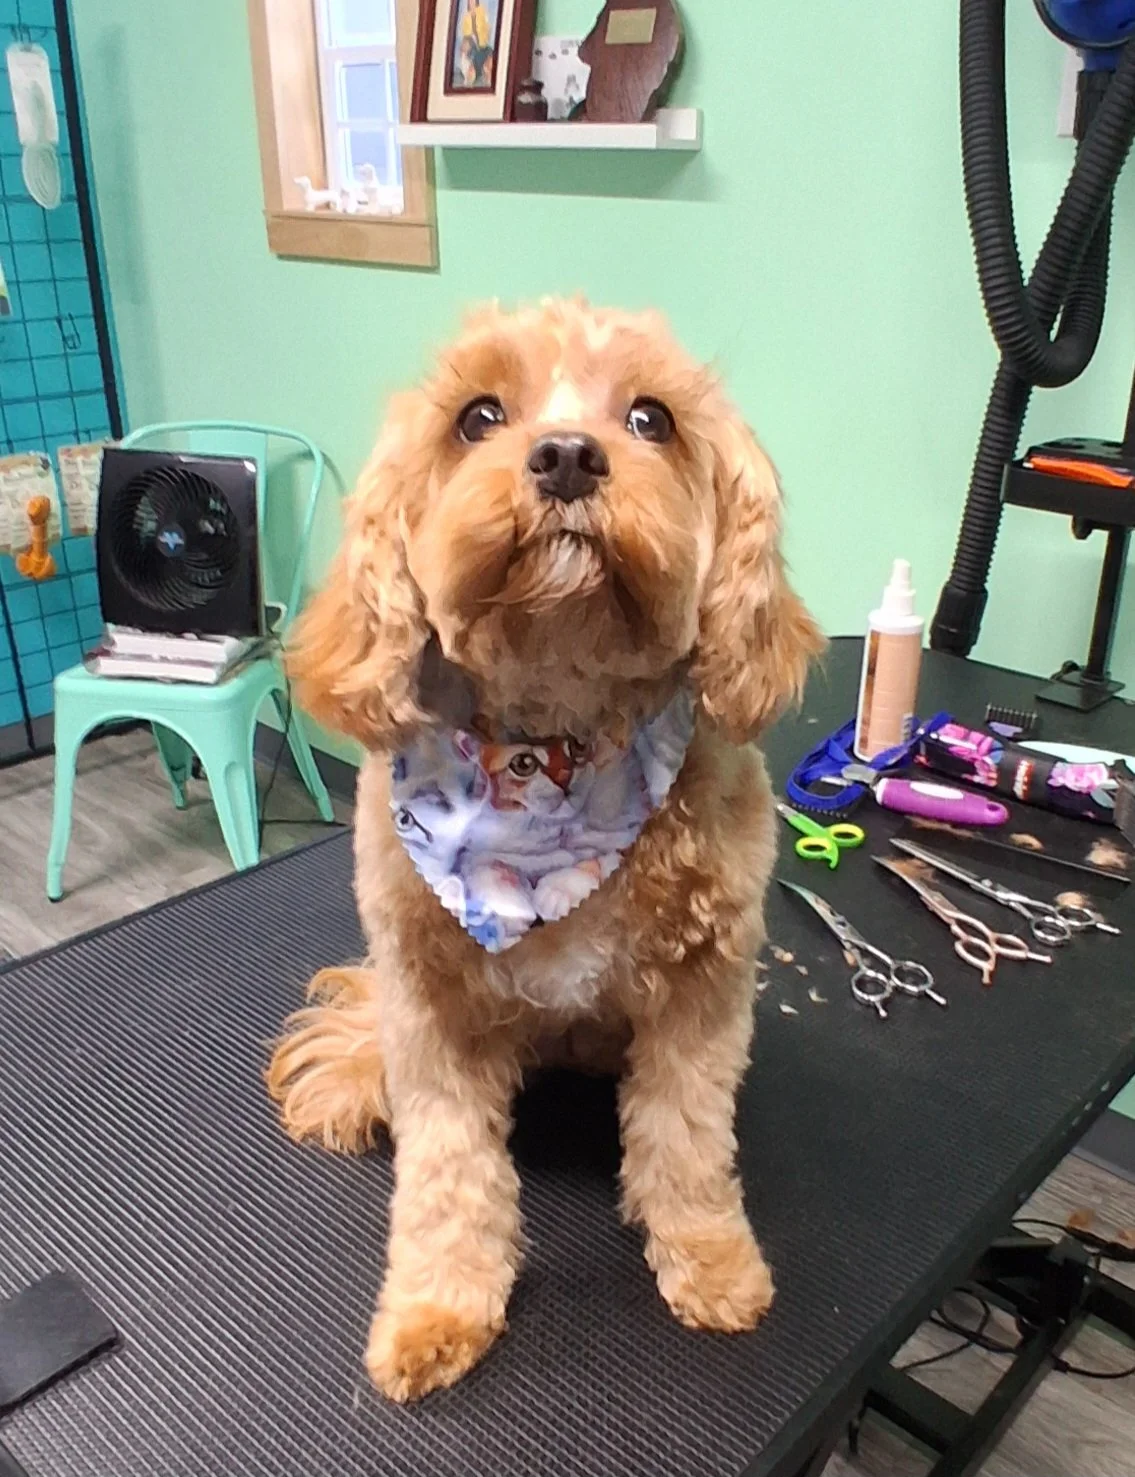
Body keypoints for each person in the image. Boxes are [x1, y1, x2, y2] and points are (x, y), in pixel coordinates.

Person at [458, 0, 492, 86]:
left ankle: (487, 78)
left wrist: (484, 36)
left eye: (473, 1)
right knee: (469, 51)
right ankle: (470, 76)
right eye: (470, 2)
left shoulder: (482, 11)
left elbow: (487, 27)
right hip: (472, 43)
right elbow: (466, 34)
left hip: (482, 43)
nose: (471, 3)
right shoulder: (466, 16)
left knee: (489, 54)